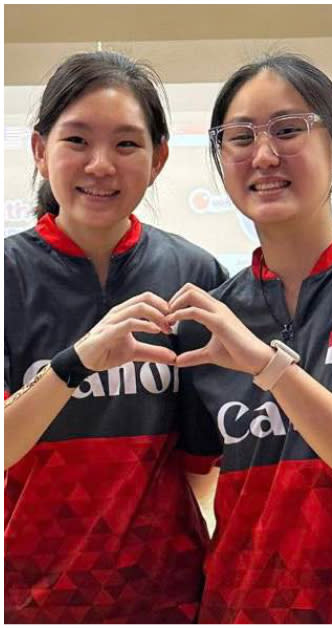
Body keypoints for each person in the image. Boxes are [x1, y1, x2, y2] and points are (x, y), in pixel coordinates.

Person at [3, 51, 227, 622]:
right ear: (39, 150)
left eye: (127, 144)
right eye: (77, 140)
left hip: (168, 595)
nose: (101, 165)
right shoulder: (9, 276)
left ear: (158, 159)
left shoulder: (195, 276)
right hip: (29, 598)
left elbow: (204, 459)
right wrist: (74, 364)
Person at [170, 54, 332, 623]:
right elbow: (195, 477)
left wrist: (268, 368)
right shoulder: (211, 319)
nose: (263, 155)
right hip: (237, 607)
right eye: (239, 137)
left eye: (289, 130)